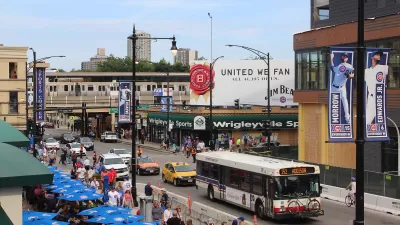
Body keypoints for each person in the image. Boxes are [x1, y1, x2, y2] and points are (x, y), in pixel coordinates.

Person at [365, 50, 389, 126]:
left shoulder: (383, 68)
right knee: (367, 120)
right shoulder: (367, 71)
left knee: (381, 120)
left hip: (379, 97)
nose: (379, 56)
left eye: (379, 55)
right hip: (371, 97)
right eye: (377, 54)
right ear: (372, 57)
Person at [330, 52, 355, 124]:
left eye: (346, 57)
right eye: (344, 56)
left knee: (345, 101)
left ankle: (347, 118)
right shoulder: (338, 66)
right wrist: (331, 59)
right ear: (342, 57)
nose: (345, 57)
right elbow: (332, 68)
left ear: (347, 58)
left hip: (342, 87)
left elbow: (353, 74)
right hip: (334, 87)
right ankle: (333, 119)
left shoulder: (349, 66)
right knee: (334, 102)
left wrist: (350, 76)